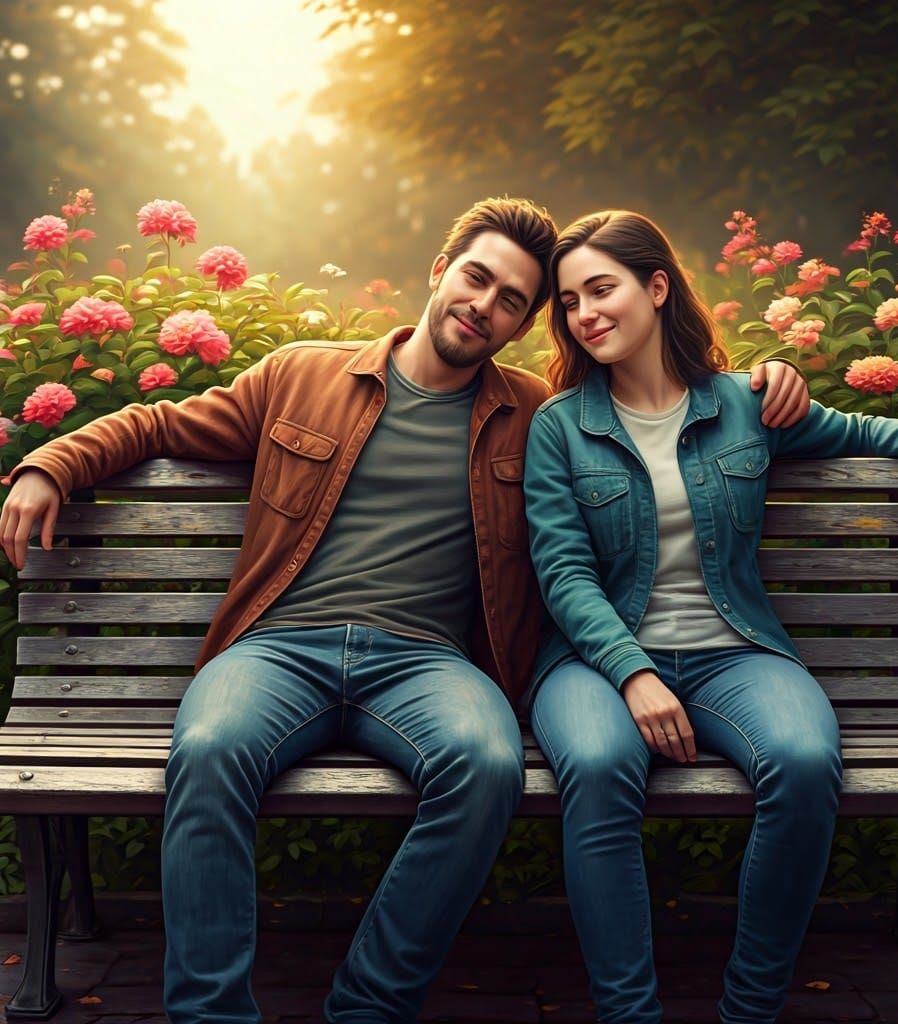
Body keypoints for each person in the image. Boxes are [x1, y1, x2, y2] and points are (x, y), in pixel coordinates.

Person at [0, 197, 808, 1023]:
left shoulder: (535, 415)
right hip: (279, 648)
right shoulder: (301, 373)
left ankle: (368, 1007)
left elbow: (660, 399)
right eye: (476, 278)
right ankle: (212, 1016)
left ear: (524, 324)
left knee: (488, 765)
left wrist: (767, 378)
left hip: (426, 663)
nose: (483, 306)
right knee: (208, 750)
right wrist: (50, 464)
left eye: (511, 302)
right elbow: (160, 423)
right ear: (440, 272)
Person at [523, 209, 898, 1024]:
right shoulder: (559, 428)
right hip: (593, 663)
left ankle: (749, 1010)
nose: (586, 314)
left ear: (656, 288)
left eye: (602, 289)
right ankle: (628, 1014)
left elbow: (863, 429)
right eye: (570, 300)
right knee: (599, 766)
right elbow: (565, 574)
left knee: (799, 761)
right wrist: (636, 674)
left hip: (734, 653)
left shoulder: (745, 404)